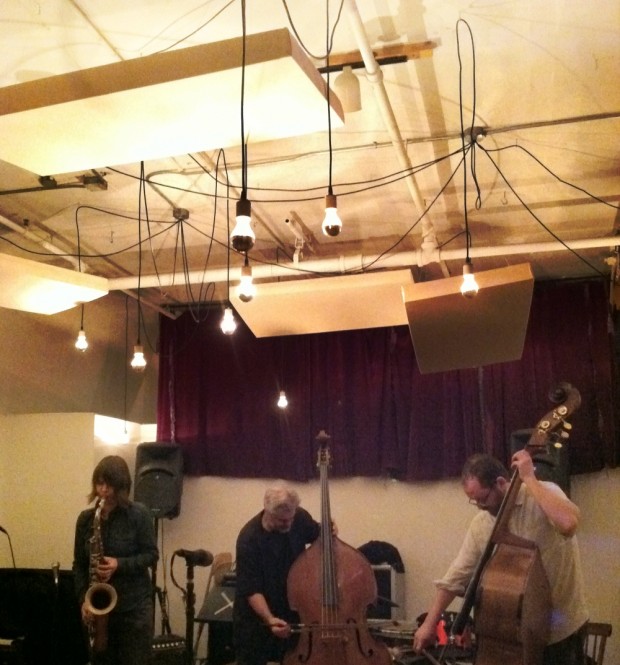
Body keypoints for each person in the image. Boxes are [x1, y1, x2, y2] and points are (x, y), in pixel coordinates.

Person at [413, 451, 588, 665]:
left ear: (500, 482)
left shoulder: (545, 493)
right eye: (474, 501)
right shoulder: (482, 523)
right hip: (518, 636)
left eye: (483, 498)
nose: (480, 506)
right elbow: (457, 574)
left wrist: (529, 479)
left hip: (561, 628)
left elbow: (568, 524)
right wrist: (429, 624)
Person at [73, 455, 158, 665]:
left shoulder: (139, 515)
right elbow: (79, 565)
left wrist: (119, 564)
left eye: (110, 485)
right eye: (100, 484)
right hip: (100, 611)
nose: (104, 490)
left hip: (134, 608)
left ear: (122, 487)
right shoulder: (86, 519)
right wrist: (84, 598)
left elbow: (151, 555)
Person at [233, 483, 321, 665]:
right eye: (282, 521)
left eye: (291, 518)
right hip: (256, 618)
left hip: (290, 608)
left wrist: (329, 529)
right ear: (268, 511)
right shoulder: (248, 539)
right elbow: (251, 589)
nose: (288, 523)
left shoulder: (299, 517)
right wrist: (270, 619)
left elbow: (318, 535)